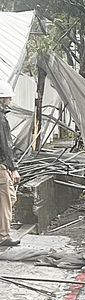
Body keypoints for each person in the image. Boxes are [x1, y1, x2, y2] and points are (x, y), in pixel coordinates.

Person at [0, 80, 21, 247]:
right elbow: (6, 145)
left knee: (10, 197)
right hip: (1, 167)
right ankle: (4, 236)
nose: (10, 101)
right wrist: (13, 169)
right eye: (8, 98)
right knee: (6, 201)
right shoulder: (1, 120)